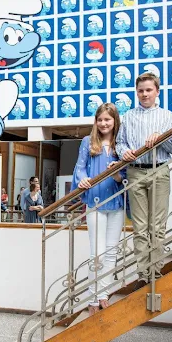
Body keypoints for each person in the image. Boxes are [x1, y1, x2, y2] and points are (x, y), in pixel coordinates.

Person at [115, 72, 172, 286]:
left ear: (157, 91)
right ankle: (144, 275)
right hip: (135, 171)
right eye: (141, 90)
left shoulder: (168, 116)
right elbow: (120, 143)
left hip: (159, 170)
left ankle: (156, 273)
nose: (144, 94)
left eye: (149, 90)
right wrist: (123, 152)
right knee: (140, 227)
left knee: (157, 227)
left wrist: (161, 138)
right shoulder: (129, 116)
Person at [71, 103, 125, 315]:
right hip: (95, 203)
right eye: (100, 119)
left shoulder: (121, 144)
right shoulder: (87, 142)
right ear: (96, 121)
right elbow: (80, 168)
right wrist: (83, 180)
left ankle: (104, 294)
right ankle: (92, 297)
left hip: (116, 203)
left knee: (111, 253)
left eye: (107, 120)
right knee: (98, 254)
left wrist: (118, 175)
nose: (103, 123)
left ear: (114, 121)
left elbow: (125, 175)